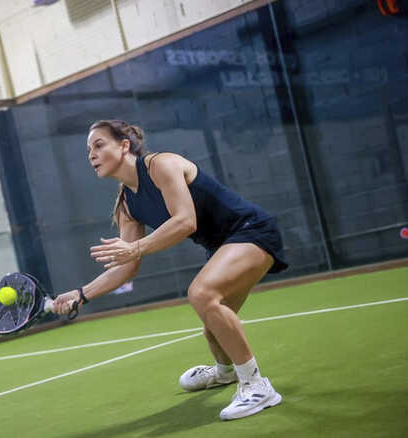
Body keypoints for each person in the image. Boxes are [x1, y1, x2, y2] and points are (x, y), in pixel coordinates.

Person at [52, 120, 288, 421]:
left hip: (251, 230)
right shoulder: (127, 205)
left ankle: (256, 386)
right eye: (88, 151)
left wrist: (135, 248)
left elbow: (185, 221)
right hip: (223, 246)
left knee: (201, 293)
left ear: (124, 146)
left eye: (99, 145)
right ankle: (225, 373)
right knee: (213, 329)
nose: (91, 155)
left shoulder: (160, 165)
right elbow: (126, 268)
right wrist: (81, 294)